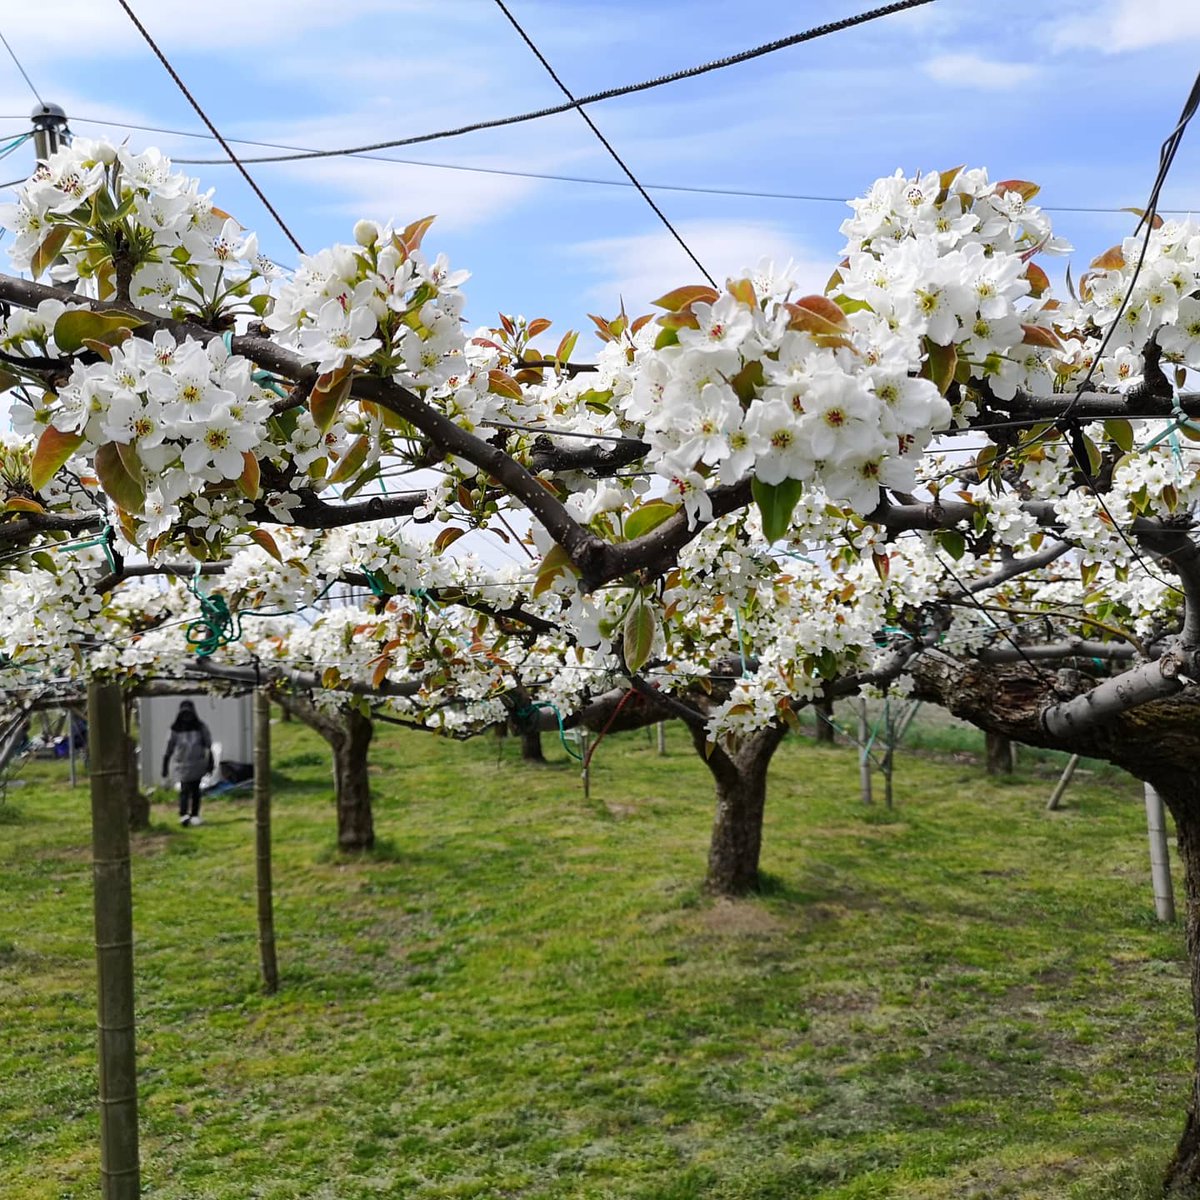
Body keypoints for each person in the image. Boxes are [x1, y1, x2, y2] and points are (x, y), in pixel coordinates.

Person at [161, 701, 213, 827]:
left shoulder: (201, 727)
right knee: (184, 790)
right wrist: (165, 766)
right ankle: (183, 814)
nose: (186, 717)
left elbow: (208, 746)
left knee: (196, 790)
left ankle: (195, 815)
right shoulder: (174, 729)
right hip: (182, 765)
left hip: (197, 764)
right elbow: (168, 748)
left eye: (188, 714)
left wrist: (211, 763)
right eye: (184, 714)